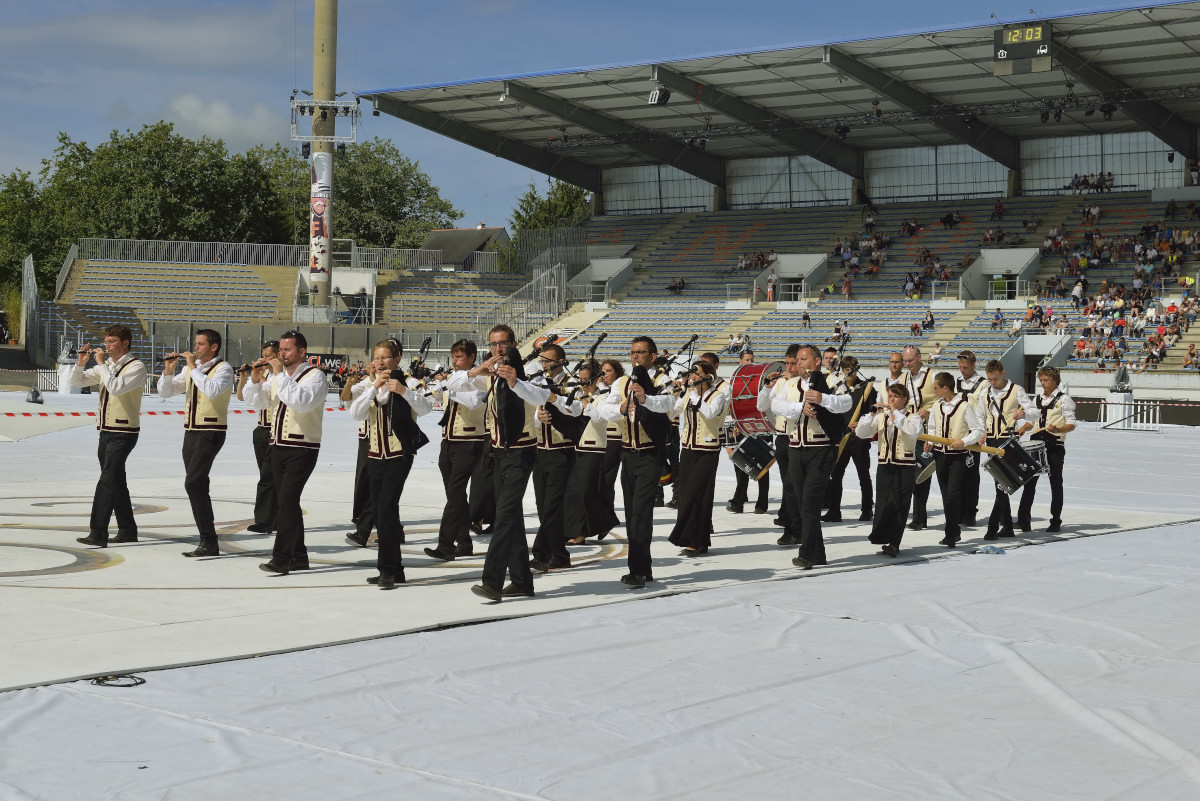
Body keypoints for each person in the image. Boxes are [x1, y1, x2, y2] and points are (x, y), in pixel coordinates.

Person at [448, 325, 558, 601]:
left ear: (514, 343)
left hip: (522, 452)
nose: (498, 349)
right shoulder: (490, 373)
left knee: (505, 517)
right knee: (511, 518)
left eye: (504, 343)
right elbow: (451, 385)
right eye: (494, 344)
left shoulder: (530, 371)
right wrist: (475, 371)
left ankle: (492, 581)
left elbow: (540, 396)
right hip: (497, 452)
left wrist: (514, 381)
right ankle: (521, 580)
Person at [348, 340, 433, 587]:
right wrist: (374, 386)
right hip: (375, 454)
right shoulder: (369, 385)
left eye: (385, 357)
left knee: (385, 508)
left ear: (397, 359)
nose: (379, 362)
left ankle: (387, 569)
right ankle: (394, 569)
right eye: (376, 357)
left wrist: (404, 391)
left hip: (399, 454)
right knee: (382, 511)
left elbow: (427, 407)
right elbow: (356, 413)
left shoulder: (411, 382)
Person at [243, 331, 329, 575]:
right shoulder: (277, 377)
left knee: (287, 502)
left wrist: (279, 375)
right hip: (278, 445)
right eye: (280, 350)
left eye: (287, 350)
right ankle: (299, 556)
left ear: (302, 352)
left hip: (303, 446)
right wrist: (256, 379)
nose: (281, 354)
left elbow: (301, 402)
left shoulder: (315, 376)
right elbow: (257, 402)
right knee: (286, 503)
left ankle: (281, 558)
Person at [771, 345, 851, 570]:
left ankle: (806, 553)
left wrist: (823, 399)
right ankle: (819, 553)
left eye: (804, 359)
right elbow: (776, 404)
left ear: (817, 361)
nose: (799, 363)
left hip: (821, 449)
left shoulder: (831, 380)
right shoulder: (789, 384)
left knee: (811, 501)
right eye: (797, 360)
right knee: (801, 501)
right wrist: (799, 407)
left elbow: (847, 402)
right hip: (795, 447)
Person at [158, 329, 235, 558]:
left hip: (211, 431)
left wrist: (192, 367)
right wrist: (169, 371)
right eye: (196, 343)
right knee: (197, 485)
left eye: (201, 344)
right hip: (191, 432)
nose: (196, 347)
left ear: (214, 347)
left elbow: (211, 391)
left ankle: (208, 539)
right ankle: (207, 539)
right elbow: (166, 391)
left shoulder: (224, 369)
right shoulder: (191, 369)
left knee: (193, 482)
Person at [71, 324, 147, 548]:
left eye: (112, 342)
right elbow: (77, 382)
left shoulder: (137, 367)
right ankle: (127, 529)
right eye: (106, 342)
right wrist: (81, 364)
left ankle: (98, 532)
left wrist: (102, 364)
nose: (107, 346)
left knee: (106, 481)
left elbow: (115, 387)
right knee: (116, 481)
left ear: (126, 343)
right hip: (106, 430)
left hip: (124, 432)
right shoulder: (109, 366)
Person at [610, 336, 676, 588]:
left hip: (650, 455)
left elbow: (669, 403)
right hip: (627, 454)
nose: (635, 356)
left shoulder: (662, 379)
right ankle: (643, 568)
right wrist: (620, 407)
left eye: (641, 352)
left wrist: (646, 398)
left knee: (641, 512)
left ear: (653, 356)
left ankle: (637, 570)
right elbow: (601, 408)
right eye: (633, 352)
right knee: (630, 512)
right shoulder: (621, 382)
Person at [425, 340, 488, 562]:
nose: (454, 361)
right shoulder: (452, 379)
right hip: (448, 441)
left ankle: (445, 544)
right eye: (453, 357)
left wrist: (448, 385)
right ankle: (464, 542)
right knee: (456, 495)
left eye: (459, 357)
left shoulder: (481, 378)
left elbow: (473, 402)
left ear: (472, 357)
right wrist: (429, 387)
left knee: (455, 494)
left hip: (469, 441)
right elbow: (433, 397)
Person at [529, 344, 588, 573]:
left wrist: (553, 400)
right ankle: (560, 554)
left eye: (549, 360)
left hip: (562, 451)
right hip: (540, 450)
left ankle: (541, 554)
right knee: (543, 507)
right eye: (542, 361)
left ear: (561, 361)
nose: (544, 365)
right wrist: (538, 414)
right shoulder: (538, 381)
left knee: (553, 507)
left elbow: (576, 409)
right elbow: (531, 409)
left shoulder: (572, 383)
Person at [855, 384, 923, 557]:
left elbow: (913, 431)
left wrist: (895, 413)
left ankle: (894, 543)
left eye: (895, 397)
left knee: (900, 504)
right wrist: (871, 414)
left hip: (905, 466)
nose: (891, 400)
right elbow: (861, 433)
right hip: (885, 465)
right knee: (883, 502)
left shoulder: (913, 417)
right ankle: (880, 535)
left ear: (904, 399)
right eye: (890, 396)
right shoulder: (881, 417)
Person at [667, 361, 727, 555]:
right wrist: (673, 393)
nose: (692, 376)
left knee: (700, 495)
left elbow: (709, 413)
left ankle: (699, 540)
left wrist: (691, 393)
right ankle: (688, 537)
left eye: (696, 373)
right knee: (686, 494)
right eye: (691, 373)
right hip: (688, 448)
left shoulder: (717, 396)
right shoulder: (688, 393)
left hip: (707, 451)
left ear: (708, 376)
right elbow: (672, 412)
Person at [563, 360, 622, 547]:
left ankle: (581, 533)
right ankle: (603, 522)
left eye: (587, 380)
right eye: (581, 380)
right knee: (581, 490)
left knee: (585, 491)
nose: (583, 383)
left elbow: (597, 416)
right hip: (579, 446)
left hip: (596, 446)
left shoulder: (605, 395)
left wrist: (585, 397)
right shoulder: (584, 394)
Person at [977, 360, 1035, 540]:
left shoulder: (1016, 390)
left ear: (1003, 372)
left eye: (995, 378)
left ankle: (993, 527)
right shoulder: (985, 392)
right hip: (991, 440)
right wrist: (980, 432)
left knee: (1002, 484)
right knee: (999, 484)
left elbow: (1035, 410)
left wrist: (1024, 414)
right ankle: (1007, 526)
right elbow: (980, 415)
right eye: (989, 379)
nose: (992, 382)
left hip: (1008, 440)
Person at [926, 372, 984, 548]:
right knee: (945, 495)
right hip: (940, 456)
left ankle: (951, 533)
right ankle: (953, 530)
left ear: (945, 388)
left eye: (936, 388)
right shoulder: (936, 405)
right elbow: (932, 426)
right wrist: (929, 441)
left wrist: (963, 442)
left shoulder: (964, 407)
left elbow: (978, 432)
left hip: (957, 457)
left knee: (953, 494)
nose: (934, 391)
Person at [1016, 366, 1076, 533]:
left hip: (1054, 445)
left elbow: (1072, 424)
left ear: (1055, 380)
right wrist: (1023, 428)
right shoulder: (1037, 399)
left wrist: (1059, 430)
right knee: (1029, 482)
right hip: (1036, 444)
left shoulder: (1064, 400)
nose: (1042, 383)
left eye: (1046, 380)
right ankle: (1023, 520)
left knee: (1055, 483)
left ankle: (1055, 520)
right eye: (1041, 380)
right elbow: (1033, 422)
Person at [823, 356, 875, 523]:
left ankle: (867, 510)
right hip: (842, 438)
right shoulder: (839, 389)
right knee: (836, 475)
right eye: (845, 370)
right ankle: (834, 510)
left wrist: (861, 423)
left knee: (863, 476)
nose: (849, 374)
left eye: (851, 370)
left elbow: (873, 413)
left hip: (859, 438)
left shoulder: (867, 388)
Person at [757, 346, 800, 546]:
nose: (789, 368)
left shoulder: (804, 383)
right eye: (787, 363)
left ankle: (793, 528)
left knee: (793, 486)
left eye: (793, 363)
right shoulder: (781, 381)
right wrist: (767, 386)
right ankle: (793, 524)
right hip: (782, 438)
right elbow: (761, 406)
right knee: (788, 484)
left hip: (798, 438)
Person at [236, 340, 280, 537]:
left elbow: (270, 395)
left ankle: (265, 520)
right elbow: (243, 398)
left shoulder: (279, 375)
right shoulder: (267, 375)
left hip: (275, 429)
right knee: (266, 475)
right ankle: (273, 517)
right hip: (261, 428)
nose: (265, 359)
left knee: (268, 477)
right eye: (263, 355)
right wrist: (245, 378)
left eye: (268, 356)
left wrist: (260, 376)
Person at [728, 350, 769, 514]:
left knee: (762, 466)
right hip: (741, 426)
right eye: (746, 360)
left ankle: (762, 503)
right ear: (740, 361)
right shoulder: (735, 381)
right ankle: (739, 500)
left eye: (751, 360)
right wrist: (735, 423)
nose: (749, 362)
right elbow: (731, 405)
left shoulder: (760, 380)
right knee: (740, 464)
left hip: (759, 427)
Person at [901, 345, 935, 530]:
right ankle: (916, 515)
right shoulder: (904, 377)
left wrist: (929, 410)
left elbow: (944, 398)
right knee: (909, 472)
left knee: (923, 472)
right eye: (905, 361)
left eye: (910, 360)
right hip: (909, 428)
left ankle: (920, 516)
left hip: (926, 429)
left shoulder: (932, 375)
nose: (907, 364)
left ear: (919, 358)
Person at [955, 351, 987, 527]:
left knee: (971, 475)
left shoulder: (983, 384)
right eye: (960, 367)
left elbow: (984, 410)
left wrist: (983, 432)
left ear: (974, 365)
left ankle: (970, 511)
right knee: (956, 474)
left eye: (965, 367)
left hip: (973, 434)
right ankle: (957, 510)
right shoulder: (956, 382)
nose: (962, 371)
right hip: (958, 433)